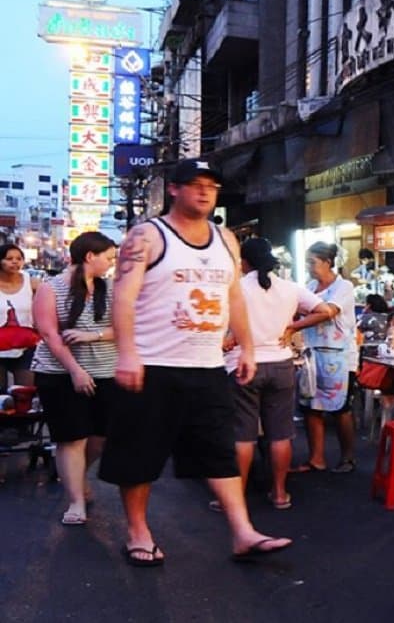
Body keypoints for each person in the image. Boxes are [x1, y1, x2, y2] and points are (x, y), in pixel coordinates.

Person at [98, 158, 292, 566]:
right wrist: (128, 353)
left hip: (206, 365)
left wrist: (248, 348)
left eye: (212, 185)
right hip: (152, 365)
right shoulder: (147, 236)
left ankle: (242, 531)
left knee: (218, 451)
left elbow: (234, 298)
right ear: (174, 189)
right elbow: (123, 297)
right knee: (140, 455)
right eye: (195, 184)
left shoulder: (226, 240)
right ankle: (138, 531)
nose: (204, 191)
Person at [223, 238, 329, 511]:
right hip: (281, 365)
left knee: (243, 435)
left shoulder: (235, 289)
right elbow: (325, 311)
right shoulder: (290, 288)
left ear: (243, 262)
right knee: (280, 433)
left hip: (243, 366)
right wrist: (293, 328)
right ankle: (280, 493)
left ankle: (236, 499)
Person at [31, 232, 117, 527]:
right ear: (90, 257)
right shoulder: (51, 288)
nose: (111, 263)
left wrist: (93, 335)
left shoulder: (111, 288)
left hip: (105, 372)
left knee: (101, 438)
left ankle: (76, 477)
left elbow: (127, 327)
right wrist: (75, 370)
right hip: (58, 374)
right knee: (71, 438)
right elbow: (49, 333)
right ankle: (76, 501)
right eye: (108, 257)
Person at [293, 241, 359, 474]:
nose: (309, 267)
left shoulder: (344, 287)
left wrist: (293, 327)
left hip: (340, 357)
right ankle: (316, 458)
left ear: (327, 263)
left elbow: (327, 312)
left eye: (313, 262)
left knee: (341, 408)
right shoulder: (310, 286)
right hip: (313, 355)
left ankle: (348, 457)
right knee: (312, 406)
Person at [0, 244, 41, 391]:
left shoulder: (32, 283)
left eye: (19, 258)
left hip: (26, 347)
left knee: (25, 393)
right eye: (9, 258)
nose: (15, 262)